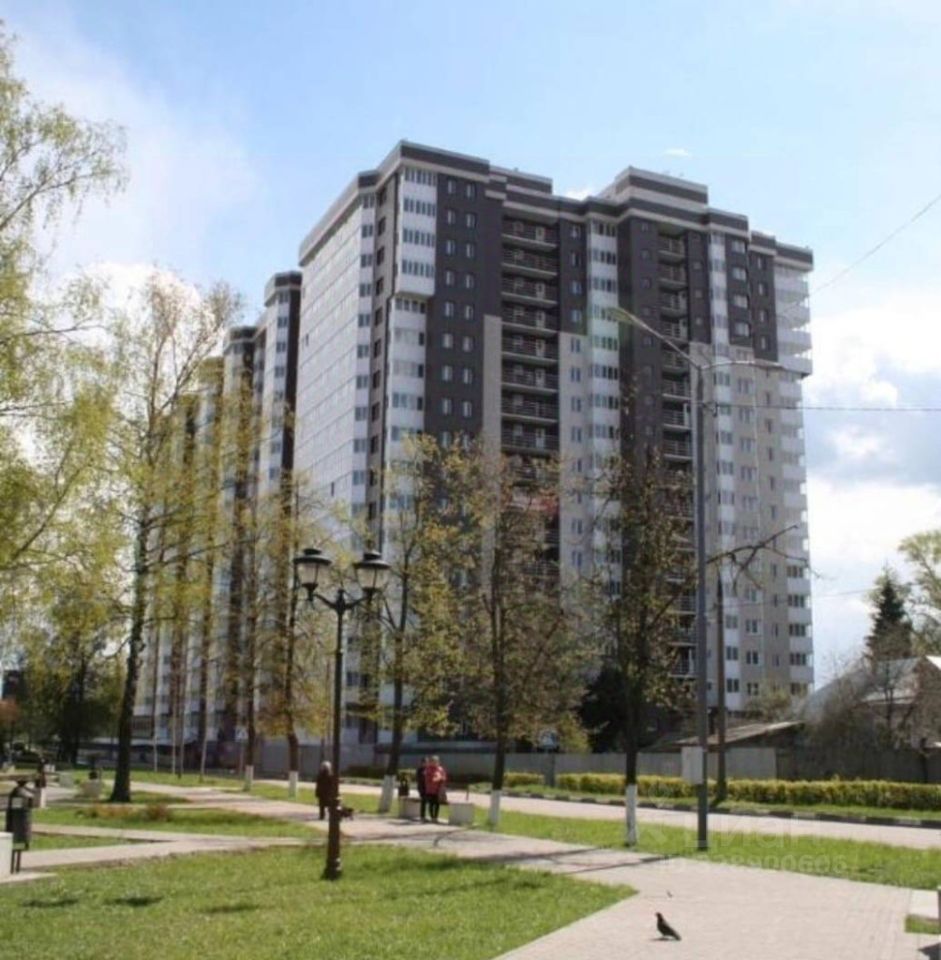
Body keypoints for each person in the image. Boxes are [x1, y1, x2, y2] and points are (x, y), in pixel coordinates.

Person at [424, 756, 448, 823]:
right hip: (430, 790)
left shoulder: (440, 769)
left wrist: (441, 778)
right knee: (431, 804)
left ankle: (436, 817)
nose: (434, 763)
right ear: (430, 762)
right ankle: (432, 817)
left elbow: (444, 777)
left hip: (438, 790)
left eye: (436, 761)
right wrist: (437, 778)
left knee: (437, 804)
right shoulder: (428, 769)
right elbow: (429, 780)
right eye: (433, 761)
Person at [416, 756, 429, 821]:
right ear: (422, 763)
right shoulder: (420, 770)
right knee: (423, 801)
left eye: (426, 762)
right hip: (422, 788)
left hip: (428, 788)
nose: (426, 763)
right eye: (424, 762)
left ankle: (424, 815)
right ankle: (422, 816)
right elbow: (419, 779)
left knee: (426, 802)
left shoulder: (428, 769)